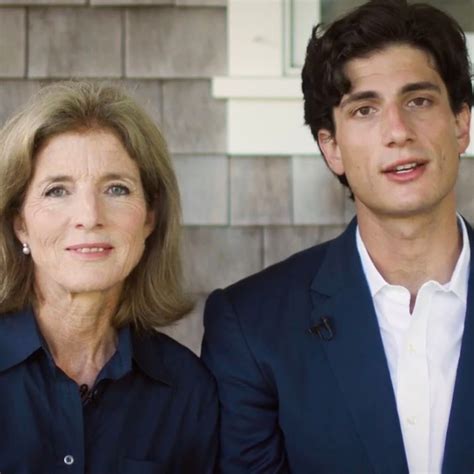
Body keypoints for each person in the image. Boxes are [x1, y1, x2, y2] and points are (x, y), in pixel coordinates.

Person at [201, 0, 473, 472]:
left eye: (419, 101)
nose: (397, 131)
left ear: (461, 123)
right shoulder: (251, 327)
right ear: (332, 148)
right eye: (365, 109)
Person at [0, 81, 217, 473]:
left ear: (150, 217)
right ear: (19, 224)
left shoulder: (187, 389)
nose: (89, 215)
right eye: (56, 191)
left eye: (116, 188)